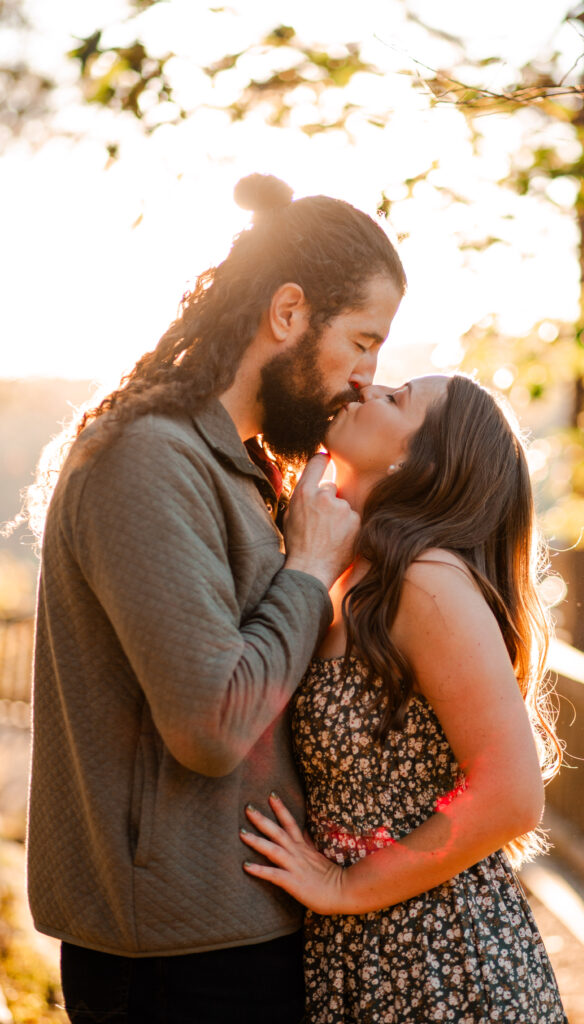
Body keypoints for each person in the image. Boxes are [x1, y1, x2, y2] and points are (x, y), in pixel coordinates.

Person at [26, 173, 405, 1023]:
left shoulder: (239, 469)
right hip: (173, 963)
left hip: (237, 933)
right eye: (362, 340)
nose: (364, 377)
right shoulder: (146, 459)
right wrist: (306, 569)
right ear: (288, 313)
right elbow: (211, 726)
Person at [239, 374, 568, 1023]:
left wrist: (345, 885)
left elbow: (511, 794)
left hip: (439, 958)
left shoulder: (424, 581)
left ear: (418, 462)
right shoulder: (337, 569)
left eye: (395, 400)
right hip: (357, 953)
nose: (368, 384)